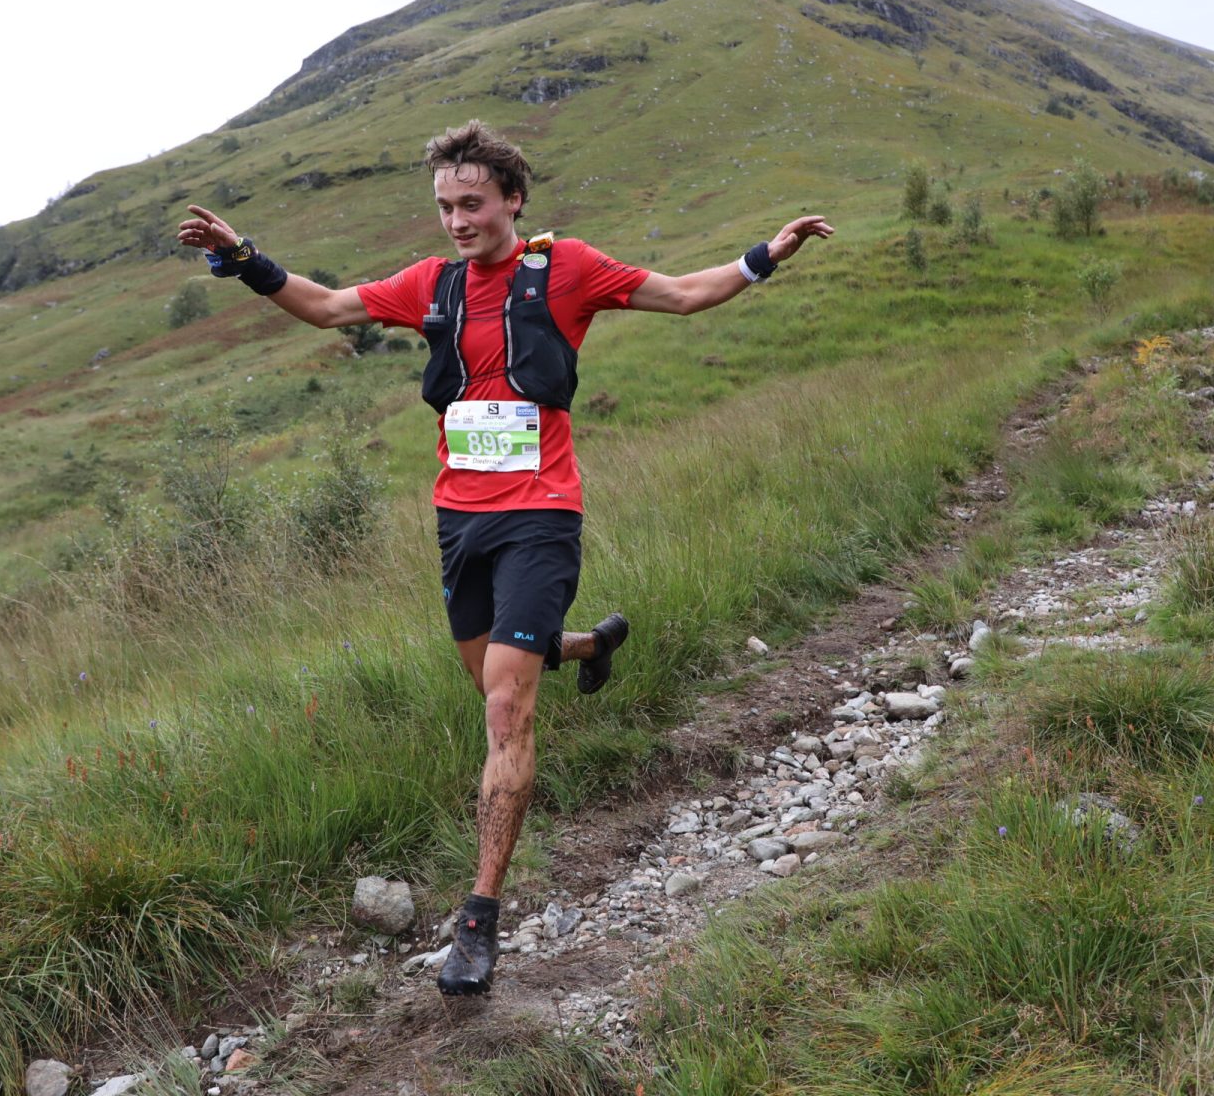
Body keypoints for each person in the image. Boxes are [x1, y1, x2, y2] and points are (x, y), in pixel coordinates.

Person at [177, 119, 833, 997]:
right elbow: (327, 306)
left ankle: (478, 923)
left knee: (504, 710)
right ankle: (590, 647)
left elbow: (680, 294)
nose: (457, 221)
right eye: (445, 206)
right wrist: (242, 256)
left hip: (541, 517)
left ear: (513, 200)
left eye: (473, 204)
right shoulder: (432, 285)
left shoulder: (567, 271)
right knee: (490, 670)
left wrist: (766, 255)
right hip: (460, 521)